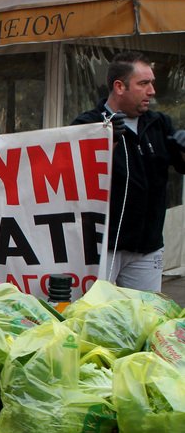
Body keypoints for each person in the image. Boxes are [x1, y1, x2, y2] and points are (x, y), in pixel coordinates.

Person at [72, 51, 185, 292]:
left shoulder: (159, 123)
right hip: (102, 248)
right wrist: (106, 140)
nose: (152, 91)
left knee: (146, 319)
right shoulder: (88, 124)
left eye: (152, 82)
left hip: (147, 248)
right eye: (144, 83)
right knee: (98, 318)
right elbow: (77, 174)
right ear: (119, 86)